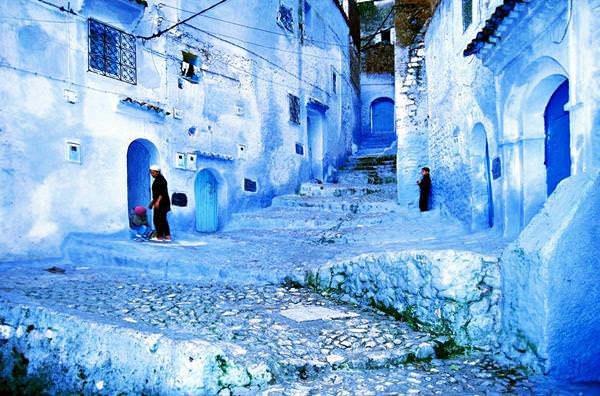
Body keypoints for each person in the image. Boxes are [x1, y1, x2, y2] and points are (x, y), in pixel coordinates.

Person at [148, 165, 172, 241]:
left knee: (157, 220)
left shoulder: (161, 180)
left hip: (162, 203)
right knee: (162, 219)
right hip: (160, 202)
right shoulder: (158, 179)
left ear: (158, 172)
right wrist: (152, 202)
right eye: (151, 173)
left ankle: (160, 236)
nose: (152, 174)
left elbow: (162, 192)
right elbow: (156, 194)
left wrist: (157, 202)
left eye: (153, 173)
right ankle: (167, 236)